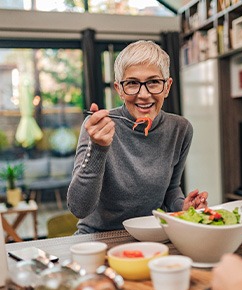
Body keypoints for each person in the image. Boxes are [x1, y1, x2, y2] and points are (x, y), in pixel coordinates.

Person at [67, 40, 208, 234]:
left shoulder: (180, 129)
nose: (144, 94)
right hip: (99, 238)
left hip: (153, 235)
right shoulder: (99, 128)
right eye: (132, 83)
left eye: (153, 82)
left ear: (167, 87)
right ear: (119, 89)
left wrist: (183, 208)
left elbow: (171, 189)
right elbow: (79, 208)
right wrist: (98, 148)